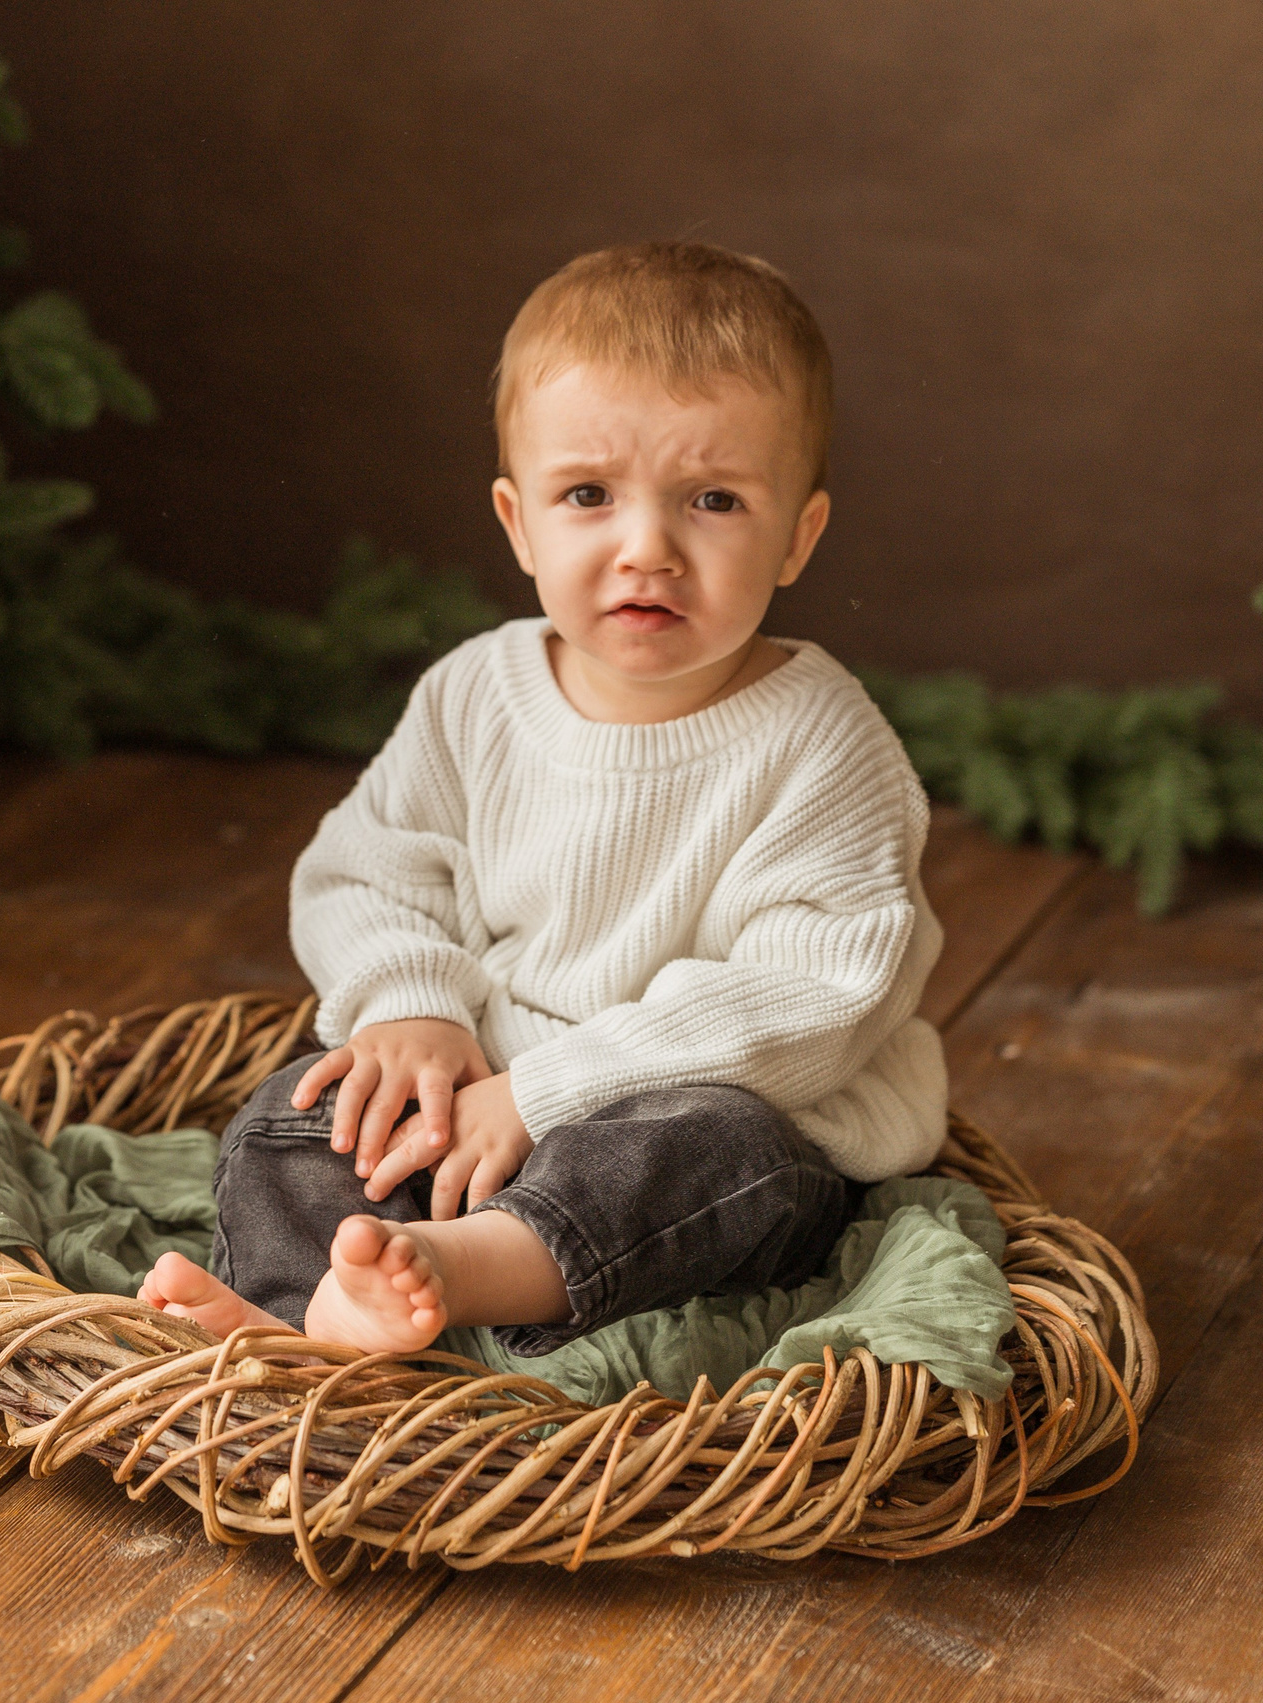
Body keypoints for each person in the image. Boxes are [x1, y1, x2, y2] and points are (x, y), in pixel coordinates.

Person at [139, 241, 946, 1355]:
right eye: (588, 495)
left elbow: (813, 1001)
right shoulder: (479, 693)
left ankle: (462, 1276)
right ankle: (296, 1325)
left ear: (799, 534)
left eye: (712, 499)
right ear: (519, 523)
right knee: (306, 1109)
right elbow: (365, 867)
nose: (646, 548)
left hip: (683, 1108)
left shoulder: (820, 740)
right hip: (481, 1087)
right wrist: (412, 1006)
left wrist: (551, 1091)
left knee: (718, 1160)